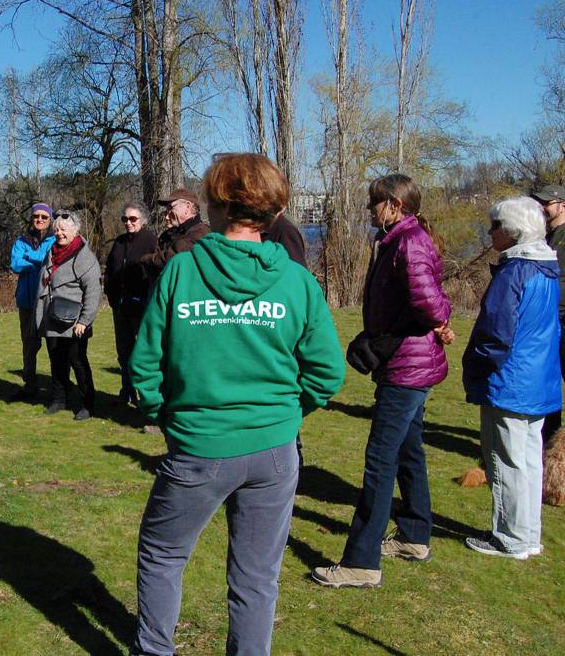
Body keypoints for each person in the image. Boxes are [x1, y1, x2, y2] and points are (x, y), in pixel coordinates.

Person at [129, 153, 344, 656]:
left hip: (201, 446)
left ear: (218, 206)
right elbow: (326, 374)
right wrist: (284, 415)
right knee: (256, 577)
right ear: (271, 211)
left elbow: (144, 365)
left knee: (163, 555)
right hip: (272, 449)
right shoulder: (295, 281)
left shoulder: (181, 272)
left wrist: (164, 415)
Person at [313, 173, 454, 590]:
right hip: (406, 363)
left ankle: (361, 561)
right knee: (409, 449)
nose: (368, 209)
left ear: (393, 204)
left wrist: (440, 321)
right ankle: (414, 534)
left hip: (407, 368)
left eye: (373, 202)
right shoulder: (399, 239)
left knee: (380, 459)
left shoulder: (409, 242)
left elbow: (428, 300)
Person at [462, 197, 561, 560]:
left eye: (495, 226)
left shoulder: (515, 272)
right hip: (536, 379)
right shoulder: (546, 268)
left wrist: (475, 367)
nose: (490, 232)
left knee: (507, 460)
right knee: (529, 460)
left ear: (512, 231)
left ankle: (510, 537)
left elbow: (496, 332)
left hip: (512, 380)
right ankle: (527, 533)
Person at [34, 210, 102, 421]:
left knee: (78, 363)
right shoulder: (52, 251)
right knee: (56, 361)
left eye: (64, 229)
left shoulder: (85, 257)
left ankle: (87, 403)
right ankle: (59, 399)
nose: (59, 233)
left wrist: (84, 321)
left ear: (75, 230)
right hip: (53, 317)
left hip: (75, 323)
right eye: (57, 229)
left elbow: (93, 292)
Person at [104, 202, 157, 404]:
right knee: (123, 352)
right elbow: (110, 269)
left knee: (143, 354)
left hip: (142, 306)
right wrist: (110, 293)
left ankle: (147, 396)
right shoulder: (119, 242)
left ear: (142, 220)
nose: (128, 223)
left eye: (133, 219)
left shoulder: (151, 240)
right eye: (124, 219)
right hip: (120, 306)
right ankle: (127, 391)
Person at [9, 203, 56, 397]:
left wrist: (29, 259)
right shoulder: (22, 240)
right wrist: (37, 262)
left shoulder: (55, 239)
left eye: (44, 217)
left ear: (50, 220)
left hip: (49, 301)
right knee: (29, 346)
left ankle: (59, 387)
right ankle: (30, 385)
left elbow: (53, 264)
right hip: (27, 302)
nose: (39, 220)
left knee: (54, 346)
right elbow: (15, 264)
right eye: (36, 216)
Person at [531, 184, 565, 440]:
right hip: (547, 319)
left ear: (561, 204)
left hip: (563, 316)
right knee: (547, 380)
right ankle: (549, 437)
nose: (542, 208)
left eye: (547, 203)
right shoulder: (543, 237)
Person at [140, 188, 210, 279]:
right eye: (166, 210)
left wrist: (145, 260)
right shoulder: (168, 234)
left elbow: (169, 260)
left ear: (188, 206)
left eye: (171, 208)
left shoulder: (201, 232)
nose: (167, 215)